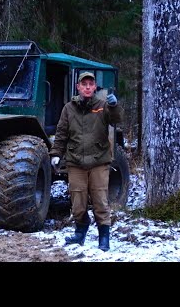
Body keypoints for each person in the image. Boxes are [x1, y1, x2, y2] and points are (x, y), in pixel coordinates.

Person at [49, 71, 122, 251]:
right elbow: (61, 133)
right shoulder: (69, 108)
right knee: (78, 201)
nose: (88, 87)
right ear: (78, 87)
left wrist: (114, 106)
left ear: (95, 87)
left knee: (100, 200)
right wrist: (56, 153)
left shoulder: (103, 106)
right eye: (84, 84)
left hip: (99, 161)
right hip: (75, 162)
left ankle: (104, 237)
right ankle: (80, 232)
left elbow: (116, 120)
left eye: (91, 84)